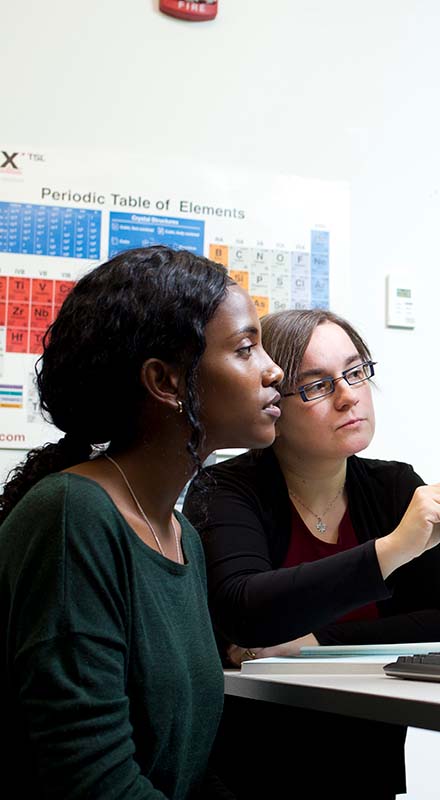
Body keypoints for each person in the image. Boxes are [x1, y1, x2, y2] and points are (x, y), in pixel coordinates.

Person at [0, 246, 284, 798]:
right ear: (166, 382)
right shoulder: (72, 518)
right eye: (246, 348)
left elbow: (190, 769)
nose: (273, 369)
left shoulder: (183, 540)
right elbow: (92, 783)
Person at [183, 308, 440, 798]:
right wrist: (390, 551)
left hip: (366, 765)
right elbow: (243, 609)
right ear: (274, 400)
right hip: (252, 773)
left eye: (355, 371)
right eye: (317, 385)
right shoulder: (225, 487)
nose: (349, 396)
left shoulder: (395, 485)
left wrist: (310, 641)